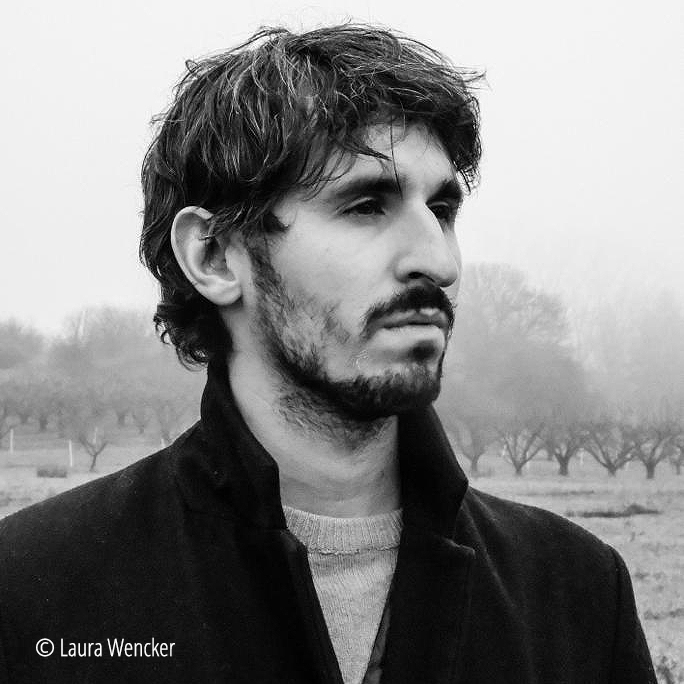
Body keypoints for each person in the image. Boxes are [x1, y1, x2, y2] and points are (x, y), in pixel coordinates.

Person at [0, 24, 656, 684]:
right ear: (214, 255)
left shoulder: (575, 594)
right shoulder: (34, 594)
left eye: (442, 209)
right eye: (366, 206)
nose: (439, 262)